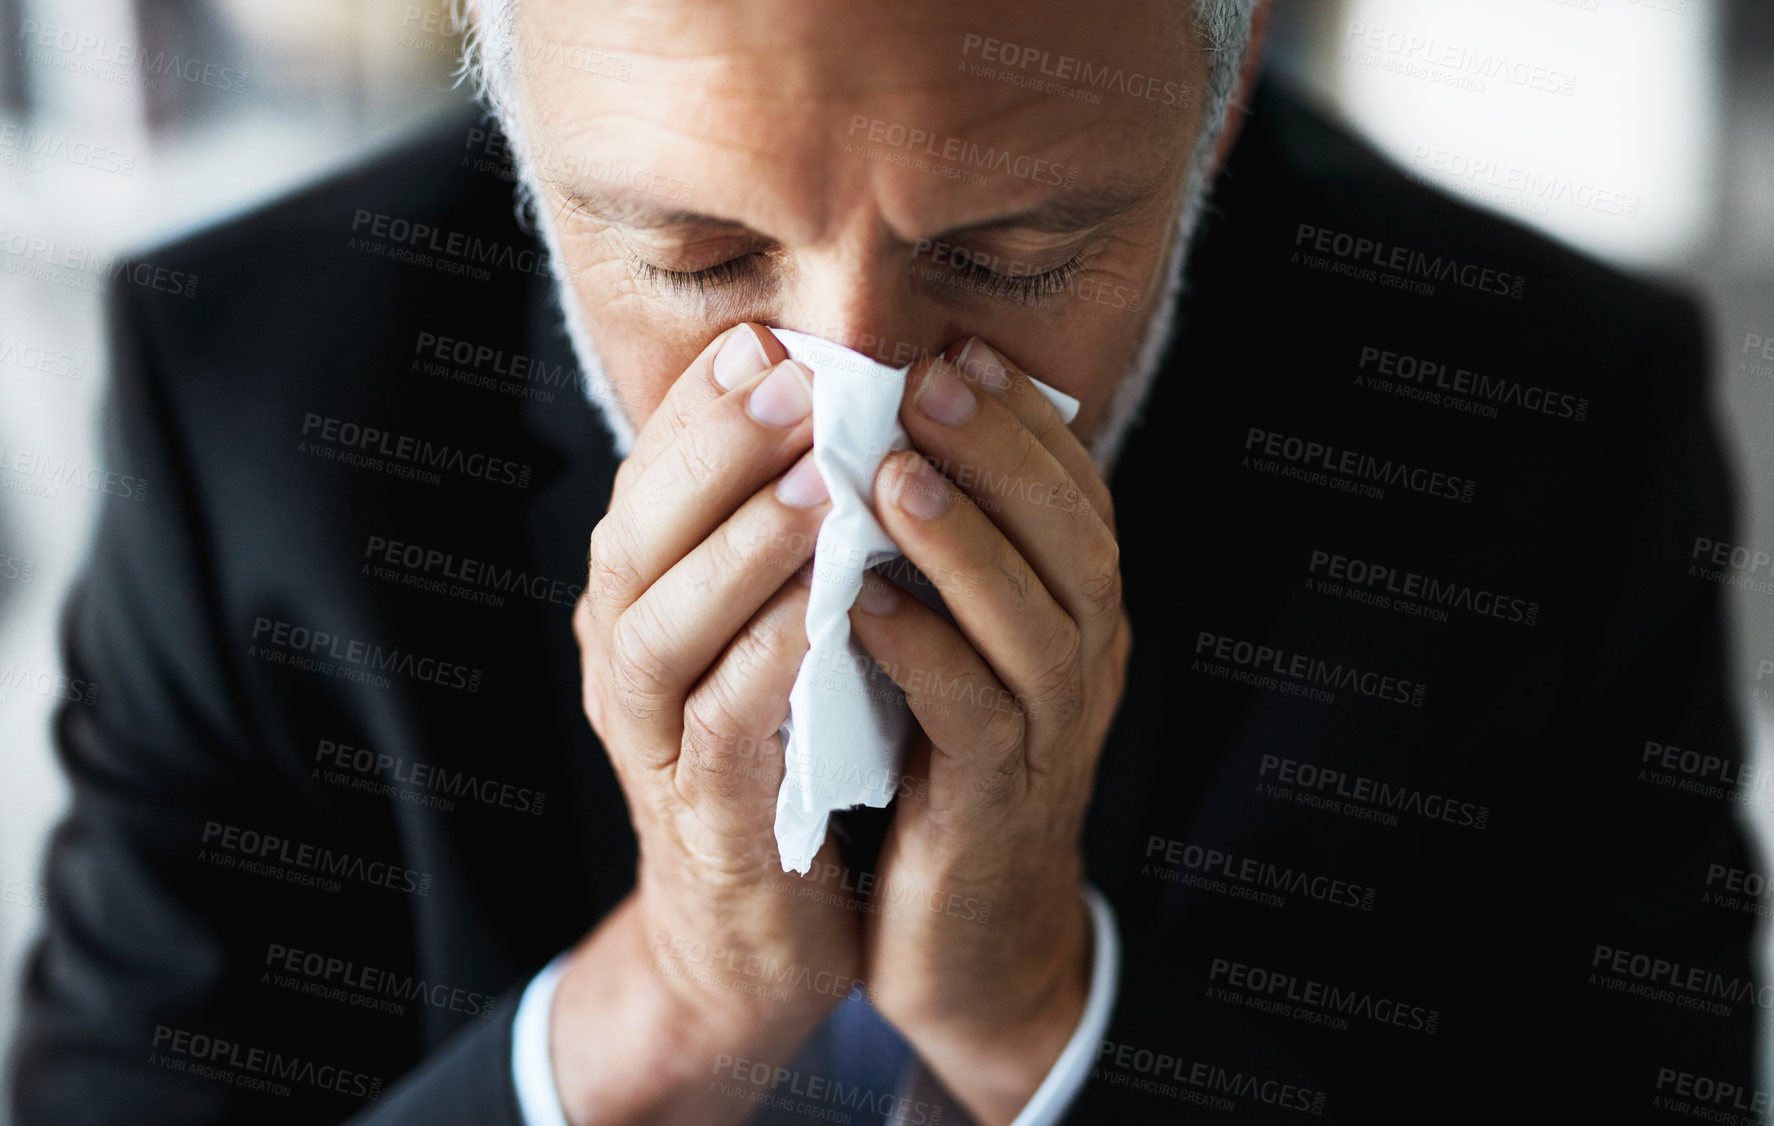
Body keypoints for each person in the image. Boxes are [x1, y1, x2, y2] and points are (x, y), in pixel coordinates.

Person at [9, 0, 1759, 1123]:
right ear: (530, 136)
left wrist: (1040, 1016)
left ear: (1210, 124)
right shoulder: (246, 400)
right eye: (695, 261)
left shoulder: (1541, 427)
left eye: (1008, 259)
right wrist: (668, 1007)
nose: (857, 415)